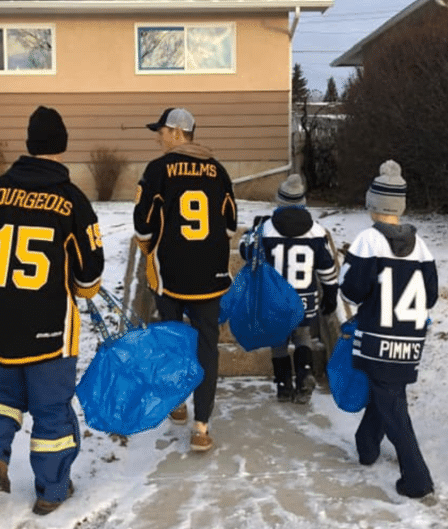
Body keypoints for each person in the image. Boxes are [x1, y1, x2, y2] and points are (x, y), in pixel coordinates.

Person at [0, 106, 104, 515]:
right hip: (49, 331)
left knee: (2, 397)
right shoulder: (72, 201)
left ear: (29, 144)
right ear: (62, 146)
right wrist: (82, 288)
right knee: (50, 410)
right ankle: (51, 490)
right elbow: (89, 273)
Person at [134, 107, 237, 452]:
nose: (158, 137)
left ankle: (177, 402)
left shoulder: (157, 170)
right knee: (207, 347)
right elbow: (231, 224)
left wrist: (150, 247)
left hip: (171, 275)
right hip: (211, 276)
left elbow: (142, 227)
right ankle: (202, 427)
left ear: (178, 132)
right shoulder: (218, 170)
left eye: (161, 131)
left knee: (173, 340)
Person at [339, 160, 437, 499]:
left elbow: (351, 289)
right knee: (388, 392)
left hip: (378, 336)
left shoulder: (368, 240)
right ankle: (367, 447)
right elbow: (432, 295)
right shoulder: (420, 245)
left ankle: (417, 479)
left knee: (393, 405)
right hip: (409, 338)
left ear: (372, 204)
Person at [238, 174, 338, 404]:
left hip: (275, 299)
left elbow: (246, 253)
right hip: (304, 298)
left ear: (280, 202)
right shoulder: (316, 231)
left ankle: (283, 386)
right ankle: (304, 374)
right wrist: (330, 293)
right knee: (303, 336)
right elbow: (327, 266)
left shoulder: (266, 229)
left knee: (278, 340)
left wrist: (248, 235)